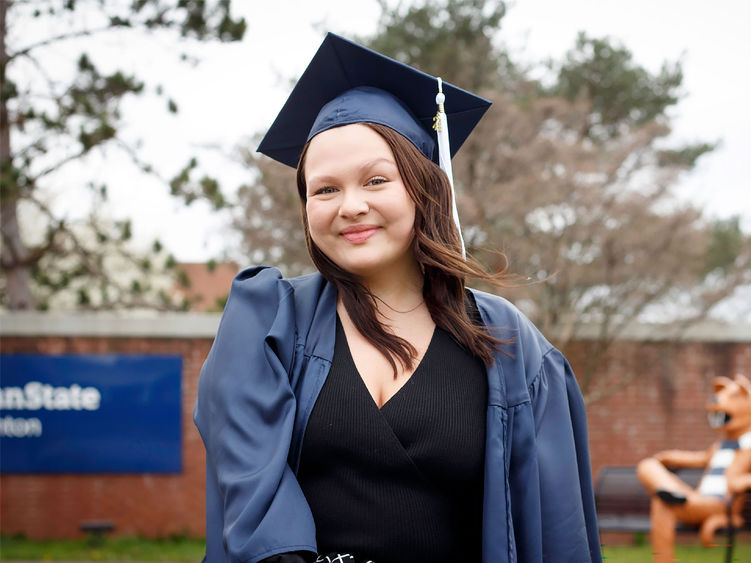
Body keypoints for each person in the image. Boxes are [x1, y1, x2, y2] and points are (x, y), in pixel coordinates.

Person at [194, 33, 601, 563]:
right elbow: (251, 493)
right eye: (325, 189)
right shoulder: (268, 320)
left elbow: (554, 525)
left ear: (423, 188)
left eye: (376, 180)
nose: (351, 206)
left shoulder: (509, 345)